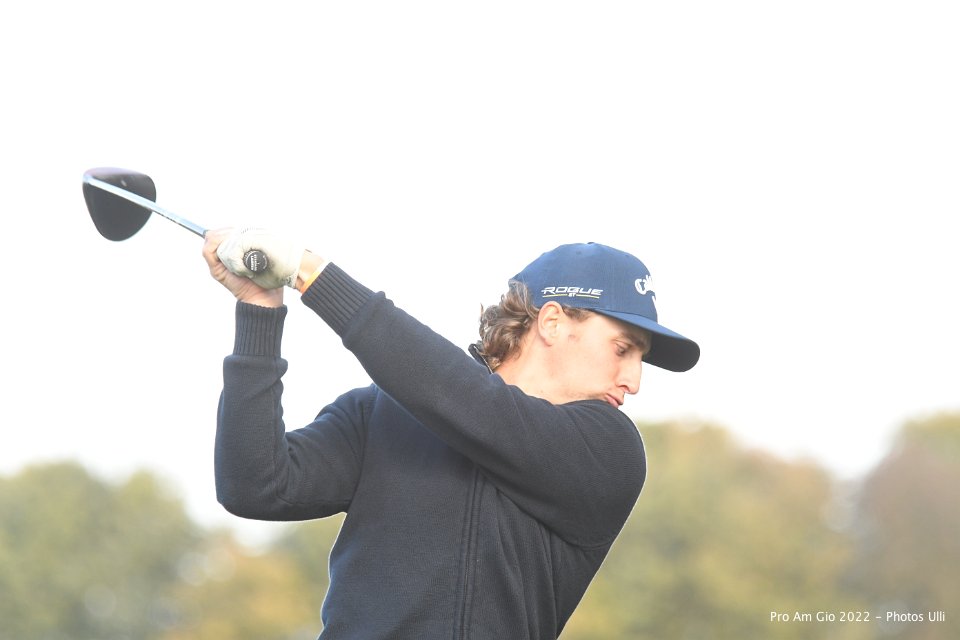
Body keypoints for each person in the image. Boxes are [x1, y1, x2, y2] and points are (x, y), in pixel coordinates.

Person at [203, 229, 700, 639]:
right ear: (552, 322)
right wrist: (259, 310)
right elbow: (256, 485)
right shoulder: (383, 411)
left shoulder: (610, 450)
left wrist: (310, 273)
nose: (634, 381)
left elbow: (472, 404)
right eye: (622, 349)